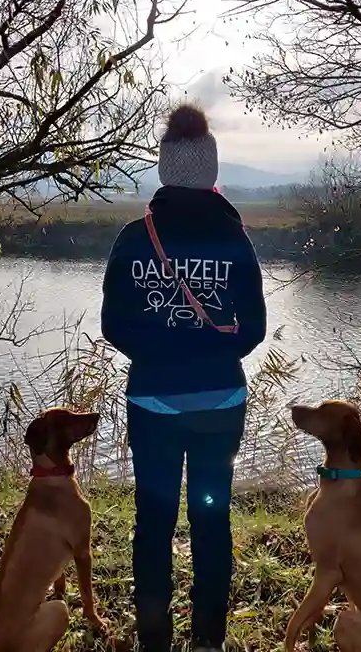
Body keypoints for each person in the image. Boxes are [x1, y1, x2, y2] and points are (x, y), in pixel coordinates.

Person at [101, 104, 267, 652]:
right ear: (212, 170)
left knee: (153, 523)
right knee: (210, 520)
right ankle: (208, 642)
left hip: (152, 402)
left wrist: (160, 354)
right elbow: (253, 331)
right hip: (221, 402)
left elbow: (113, 326)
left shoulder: (133, 238)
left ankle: (154, 641)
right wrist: (210, 351)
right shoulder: (235, 238)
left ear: (164, 168)